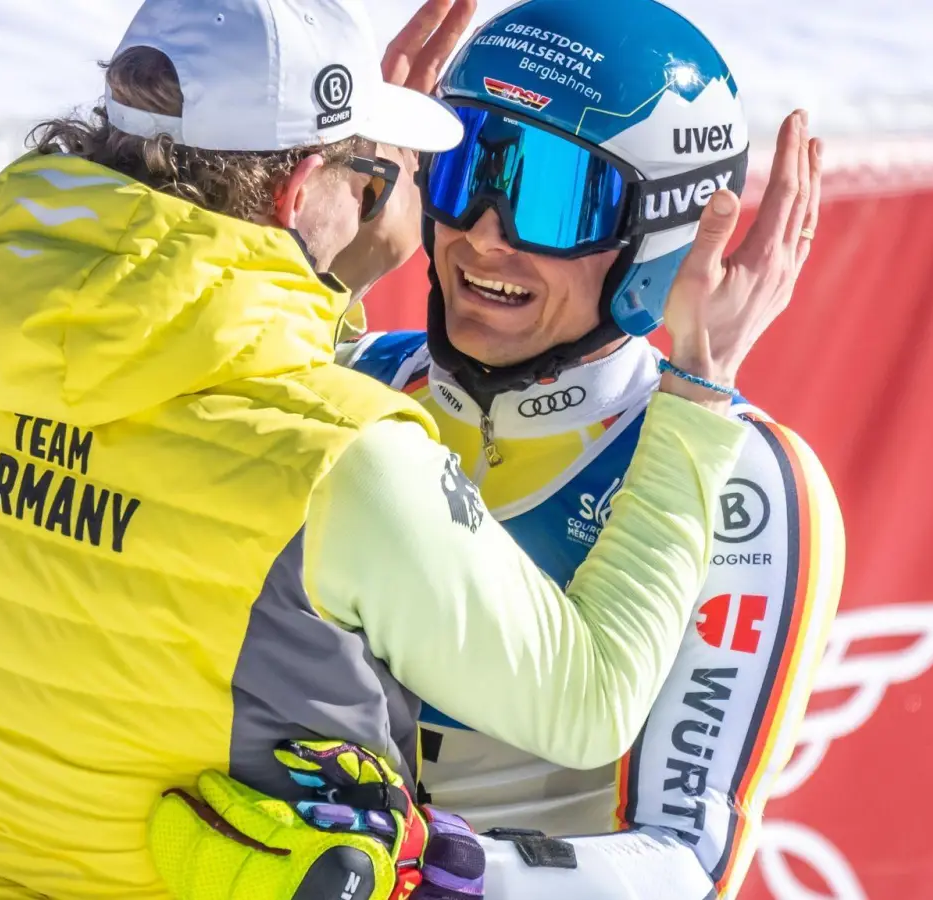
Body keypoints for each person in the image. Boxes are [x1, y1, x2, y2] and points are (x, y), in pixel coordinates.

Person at [0, 0, 788, 897]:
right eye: (390, 169)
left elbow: (110, 571)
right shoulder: (349, 453)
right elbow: (588, 703)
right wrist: (699, 397)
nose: (472, 224)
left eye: (547, 196)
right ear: (302, 190)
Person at [327, 1, 847, 897]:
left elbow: (685, 866)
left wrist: (414, 872)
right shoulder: (357, 377)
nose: (484, 233)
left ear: (662, 237)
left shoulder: (749, 478)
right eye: (465, 168)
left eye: (552, 196)